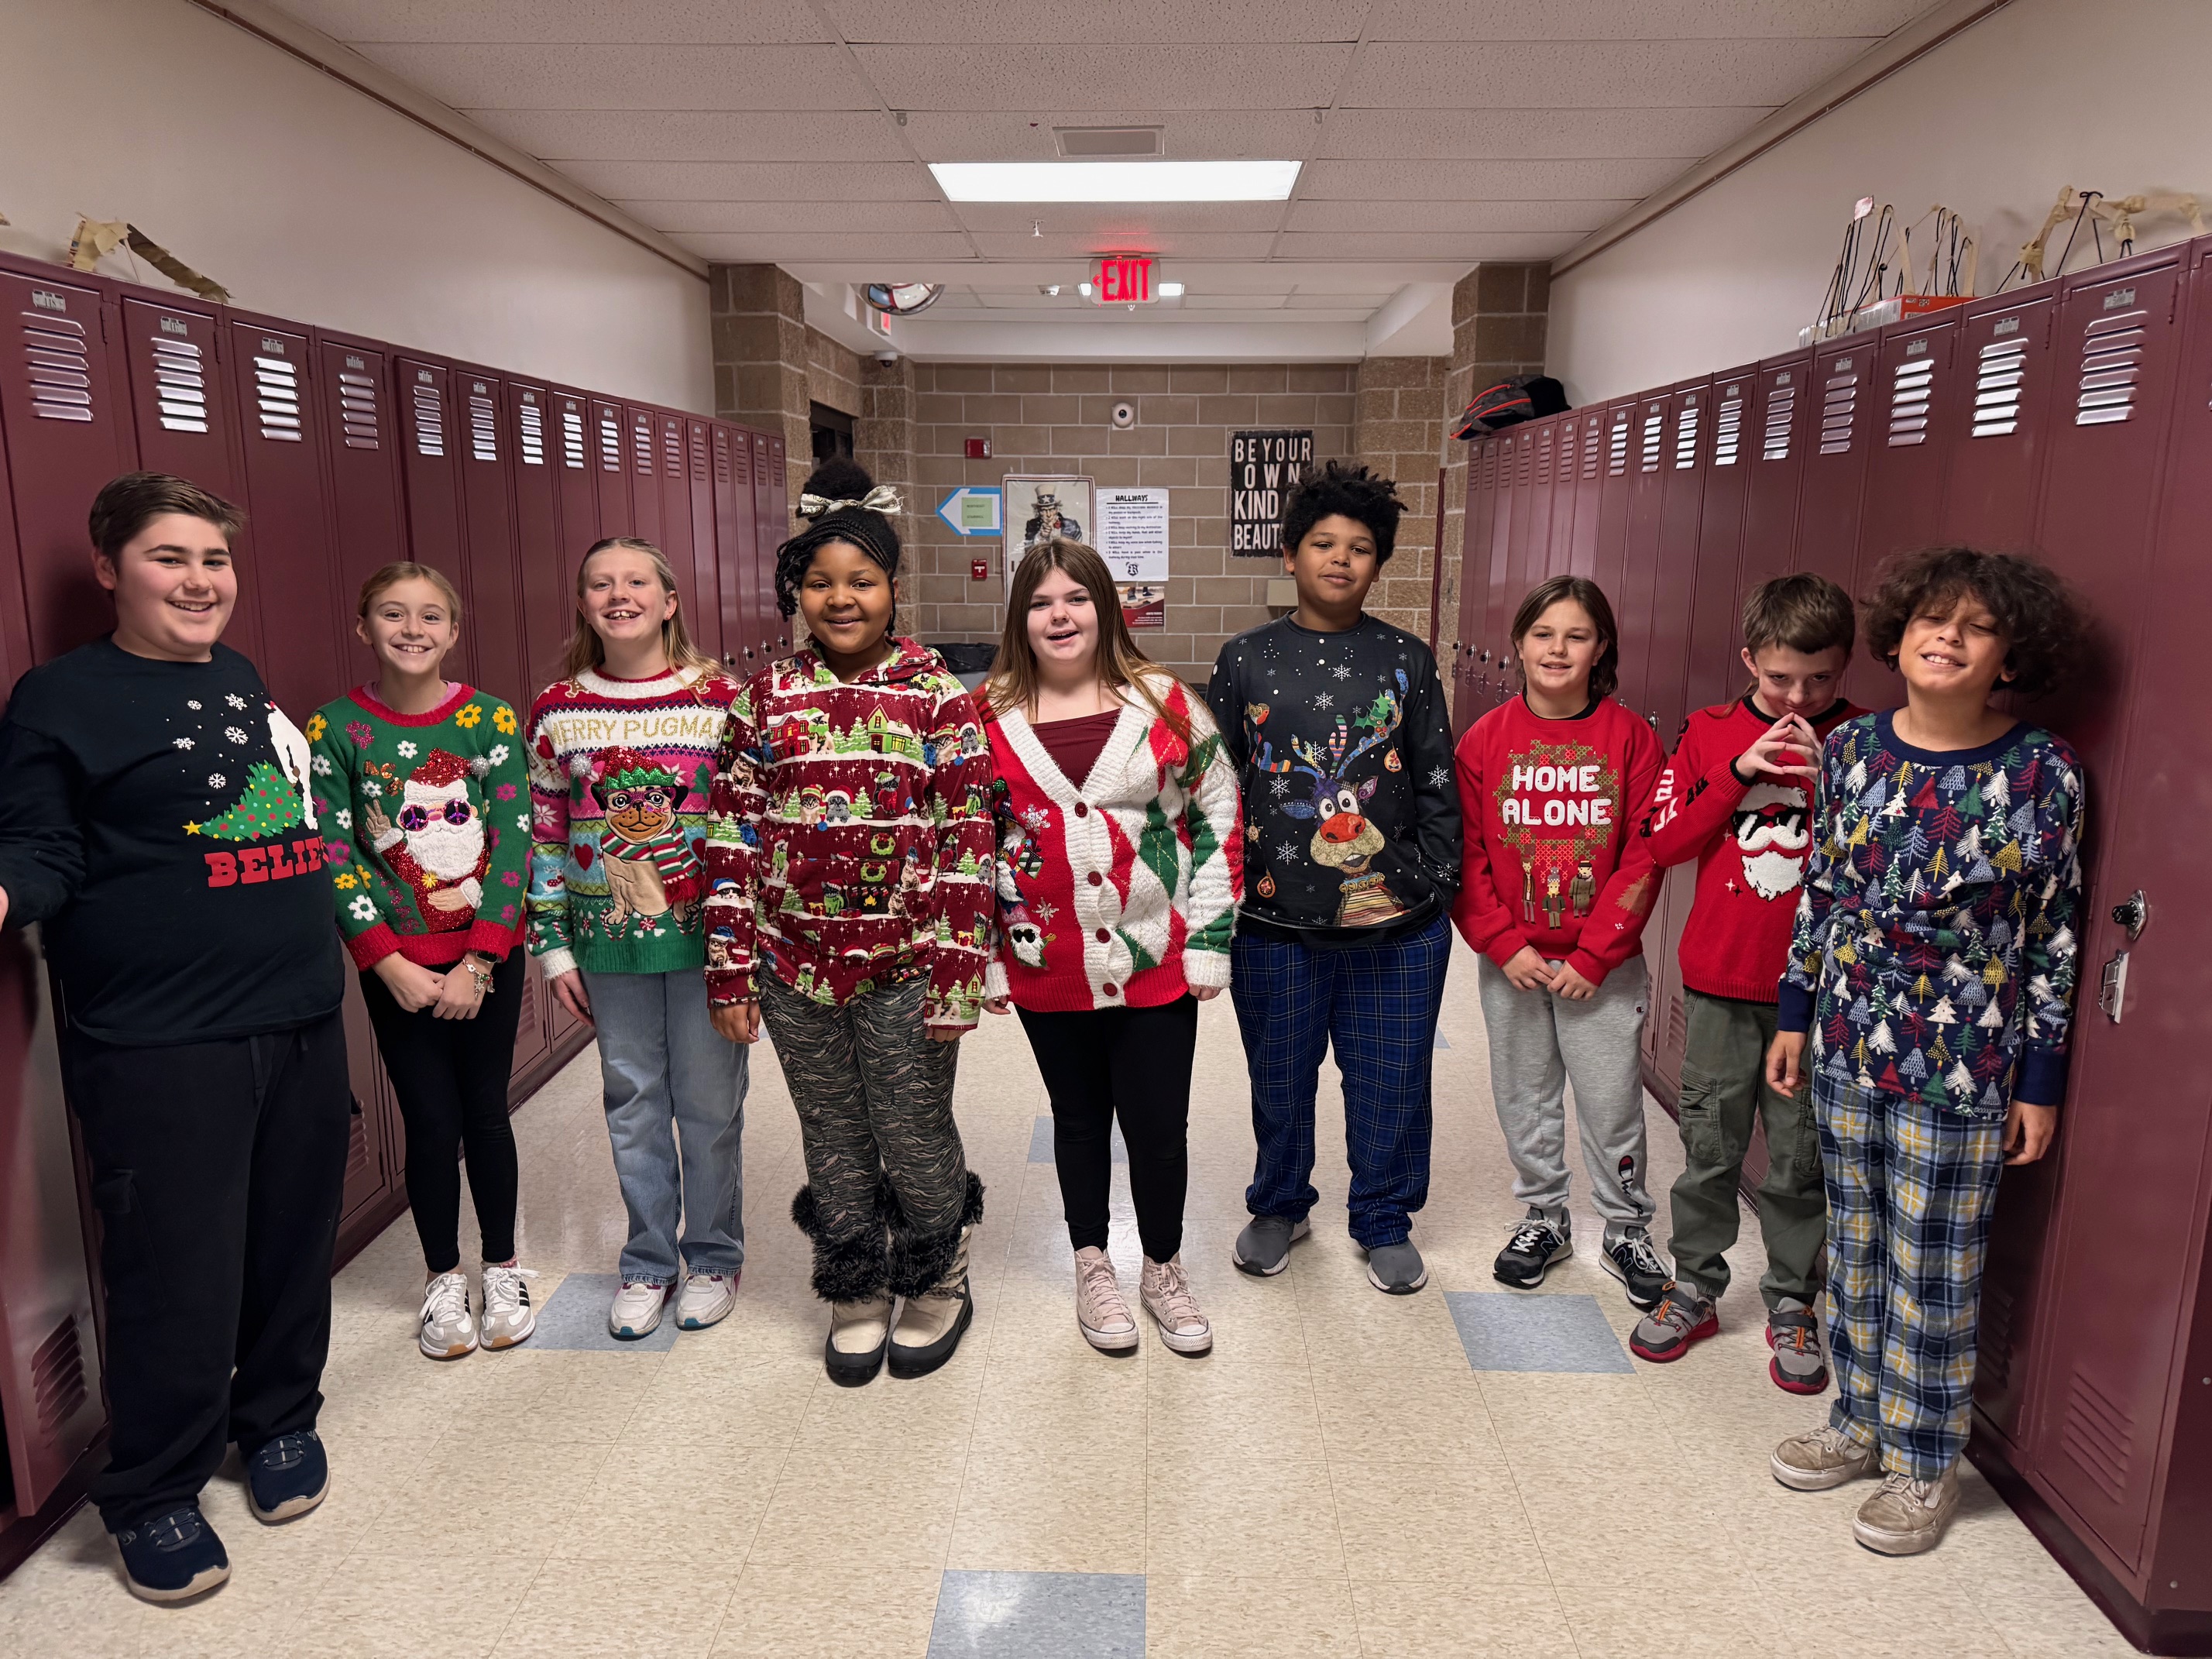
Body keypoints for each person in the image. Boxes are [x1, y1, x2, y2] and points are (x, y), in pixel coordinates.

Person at [0, 474, 346, 1602]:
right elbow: (41, 847)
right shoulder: (60, 699)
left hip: (299, 1011)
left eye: (215, 559)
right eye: (170, 558)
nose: (201, 581)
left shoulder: (235, 676)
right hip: (162, 1037)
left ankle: (279, 1418)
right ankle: (153, 1490)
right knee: (174, 1271)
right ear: (109, 569)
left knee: (290, 1241)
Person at [1767, 547, 2082, 1556]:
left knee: (1933, 1265)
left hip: (1963, 1062)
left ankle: (1924, 1458)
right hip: (1848, 1037)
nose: (1947, 637)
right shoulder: (1852, 747)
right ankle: (1857, 1421)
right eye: (1931, 619)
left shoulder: (2041, 770)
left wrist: (2040, 1078)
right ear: (1898, 637)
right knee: (1856, 1245)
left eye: (1977, 627)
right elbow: (1822, 885)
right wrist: (1794, 1010)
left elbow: (2053, 934)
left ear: (2008, 657)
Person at [703, 459, 994, 1384]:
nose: (841, 599)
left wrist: (959, 976)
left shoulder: (936, 695)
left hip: (909, 966)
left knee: (913, 1130)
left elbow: (968, 836)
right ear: (797, 592)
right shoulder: (763, 698)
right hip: (795, 970)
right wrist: (729, 968)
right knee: (832, 1135)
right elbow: (732, 835)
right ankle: (856, 1285)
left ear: (893, 587)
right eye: (821, 582)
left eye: (861, 581)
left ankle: (937, 1277)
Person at [977, 538, 1242, 1355]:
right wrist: (988, 958)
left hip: (1155, 956)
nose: (1059, 616)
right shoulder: (987, 715)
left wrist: (1210, 940)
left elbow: (1220, 813)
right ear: (1019, 618)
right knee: (1080, 1119)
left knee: (1159, 1126)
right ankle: (1092, 1263)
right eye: (1040, 603)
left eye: (1076, 598)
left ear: (1106, 608)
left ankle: (1162, 1268)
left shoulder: (1165, 702)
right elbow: (967, 843)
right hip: (1046, 963)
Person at [1206, 462, 1460, 1295]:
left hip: (1398, 926)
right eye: (1323, 544)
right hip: (1274, 925)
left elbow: (1436, 779)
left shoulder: (1407, 660)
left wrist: (1433, 882)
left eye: (1359, 548)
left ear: (1378, 564)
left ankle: (1383, 1216)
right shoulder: (1245, 659)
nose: (1341, 559)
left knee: (1390, 1078)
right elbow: (1219, 789)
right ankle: (1279, 1205)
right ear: (1290, 555)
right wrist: (1224, 900)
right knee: (1280, 1078)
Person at [1628, 575, 1865, 1386]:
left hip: (1821, 997)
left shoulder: (1864, 741)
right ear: (1749, 661)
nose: (1798, 698)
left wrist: (1833, 781)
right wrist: (1735, 771)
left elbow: (1880, 859)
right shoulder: (1709, 732)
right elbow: (1664, 842)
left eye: (1820, 680)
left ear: (1846, 667)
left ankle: (1794, 1299)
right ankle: (1695, 1284)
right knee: (1710, 1147)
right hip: (1722, 983)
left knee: (1800, 1159)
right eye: (1780, 678)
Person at [310, 563, 535, 1362]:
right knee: (431, 1122)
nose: (413, 629)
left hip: (486, 959)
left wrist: (480, 962)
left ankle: (503, 1266)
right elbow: (333, 850)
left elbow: (512, 841)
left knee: (486, 1115)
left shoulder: (489, 720)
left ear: (454, 630)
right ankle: (443, 1276)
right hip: (398, 969)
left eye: (431, 615)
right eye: (393, 614)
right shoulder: (334, 727)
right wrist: (385, 962)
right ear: (363, 628)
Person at [525, 538, 747, 1340]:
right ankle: (649, 1261)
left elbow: (747, 825)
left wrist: (744, 946)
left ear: (669, 600)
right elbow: (545, 836)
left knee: (710, 1105)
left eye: (636, 582)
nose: (619, 595)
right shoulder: (557, 710)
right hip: (608, 945)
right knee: (633, 1104)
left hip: (706, 943)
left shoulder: (722, 700)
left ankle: (714, 1257)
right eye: (600, 584)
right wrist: (553, 947)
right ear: (584, 604)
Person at [1452, 575, 1667, 1307]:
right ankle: (1544, 1216)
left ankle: (1626, 1226)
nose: (1557, 649)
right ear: (1518, 643)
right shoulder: (1485, 740)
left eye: (1577, 636)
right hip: (1513, 962)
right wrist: (1501, 943)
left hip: (1601, 967)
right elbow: (1466, 855)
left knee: (1611, 1101)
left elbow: (1643, 856)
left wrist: (1595, 954)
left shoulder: (1631, 738)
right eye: (1543, 634)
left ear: (1601, 647)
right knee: (1525, 1095)